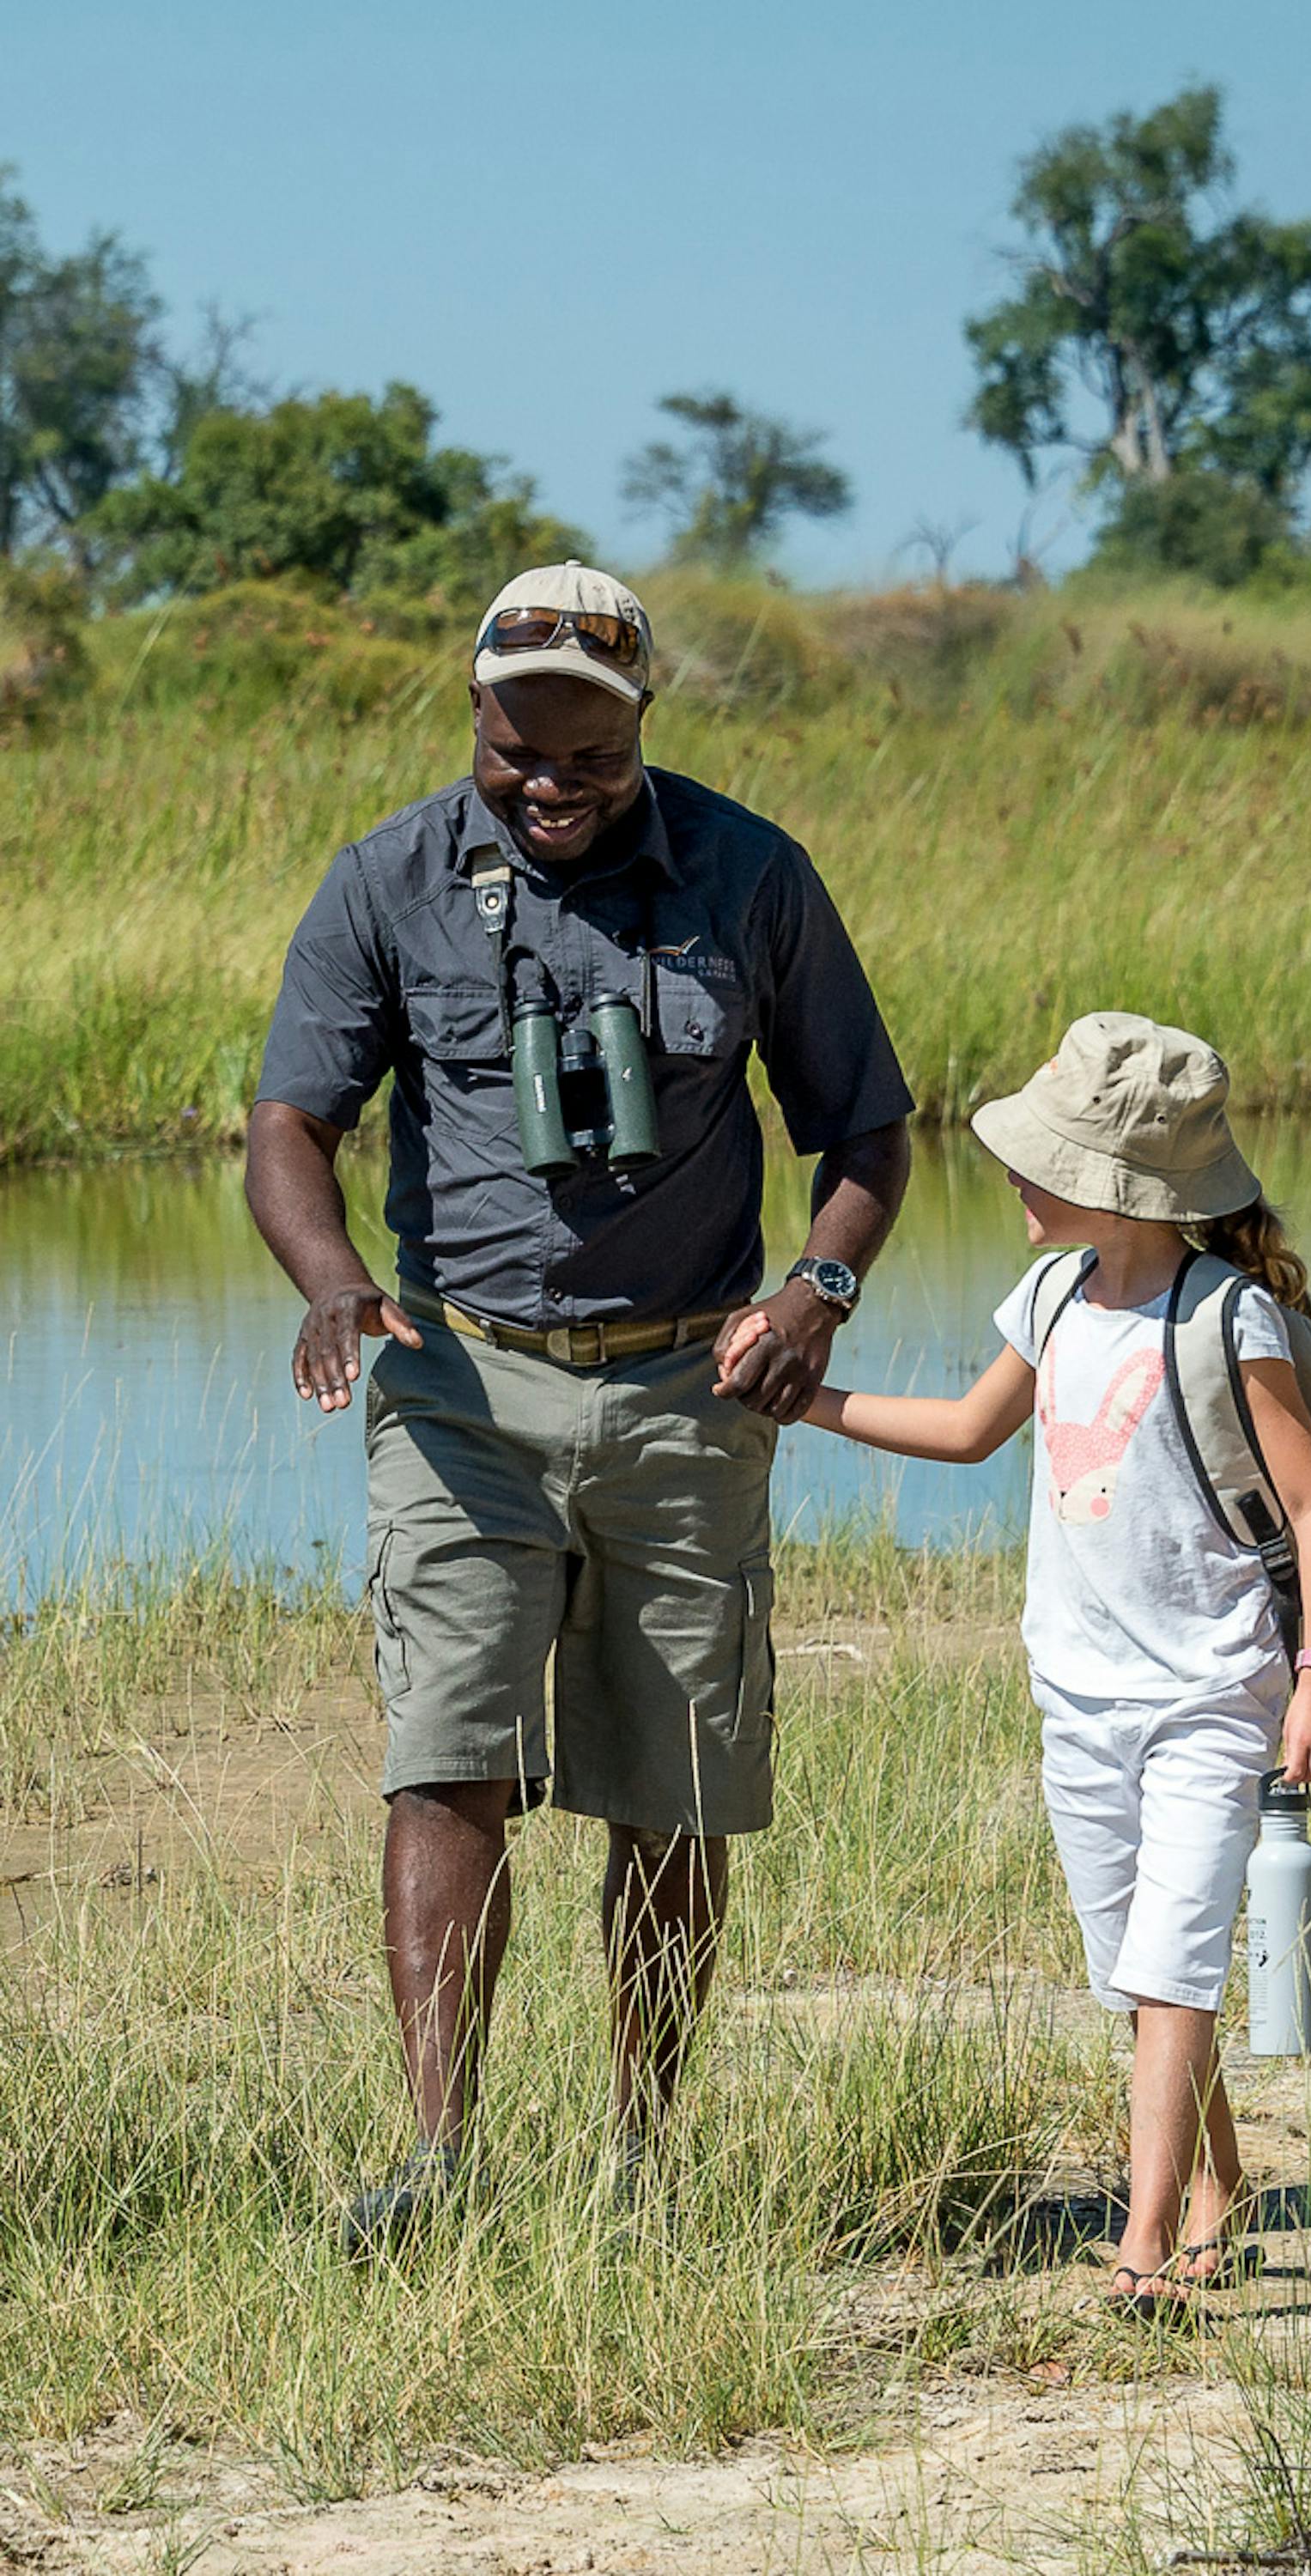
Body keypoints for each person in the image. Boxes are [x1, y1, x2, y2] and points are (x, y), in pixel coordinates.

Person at [245, 561, 912, 2250]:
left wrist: (814, 1295)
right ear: (474, 707)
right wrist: (333, 1281)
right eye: (514, 748)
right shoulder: (387, 879)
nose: (549, 784)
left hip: (694, 1385)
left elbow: (868, 1131)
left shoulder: (752, 875)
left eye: (586, 759)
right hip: (458, 1384)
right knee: (446, 1765)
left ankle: (643, 2176)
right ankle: (444, 2168)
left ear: (640, 724)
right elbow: (287, 1126)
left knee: (671, 1793)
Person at [725, 1012, 1311, 2314]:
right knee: (1138, 1964)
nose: (1014, 1174)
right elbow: (965, 1428)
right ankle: (1219, 2184)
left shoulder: (1228, 1317)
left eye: (1042, 1157)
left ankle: (1145, 2252)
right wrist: (805, 1400)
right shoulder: (1055, 1294)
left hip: (1209, 1693)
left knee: (1176, 1960)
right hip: (1078, 1692)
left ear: (1118, 1188)